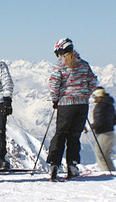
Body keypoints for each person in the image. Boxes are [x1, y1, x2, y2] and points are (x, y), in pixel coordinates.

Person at [47, 38, 97, 180]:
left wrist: (55, 100)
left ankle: (54, 164)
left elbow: (54, 85)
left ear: (60, 51)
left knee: (60, 133)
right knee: (74, 135)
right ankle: (72, 166)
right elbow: (93, 82)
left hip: (65, 104)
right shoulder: (84, 65)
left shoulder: (59, 66)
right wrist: (84, 94)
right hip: (82, 105)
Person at [91, 87, 116, 171]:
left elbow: (99, 122)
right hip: (110, 133)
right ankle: (112, 173)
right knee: (106, 156)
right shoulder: (110, 105)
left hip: (103, 134)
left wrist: (90, 127)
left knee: (101, 155)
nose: (94, 99)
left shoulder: (100, 106)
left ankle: (107, 174)